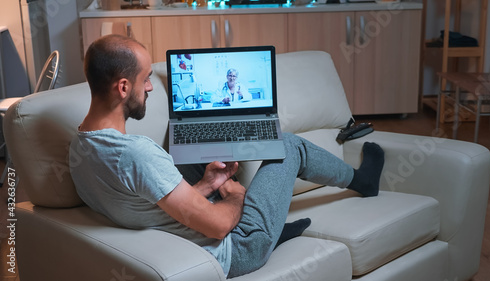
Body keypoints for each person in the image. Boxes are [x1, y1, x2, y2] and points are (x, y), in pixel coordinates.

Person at [70, 34, 385, 278]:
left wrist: (208, 185)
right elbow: (219, 227)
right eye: (146, 78)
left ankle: (272, 225)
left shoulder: (80, 145)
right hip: (238, 247)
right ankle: (363, 181)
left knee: (199, 157)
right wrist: (234, 195)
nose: (151, 87)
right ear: (123, 87)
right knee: (288, 145)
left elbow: (146, 206)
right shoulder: (137, 155)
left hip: (177, 231)